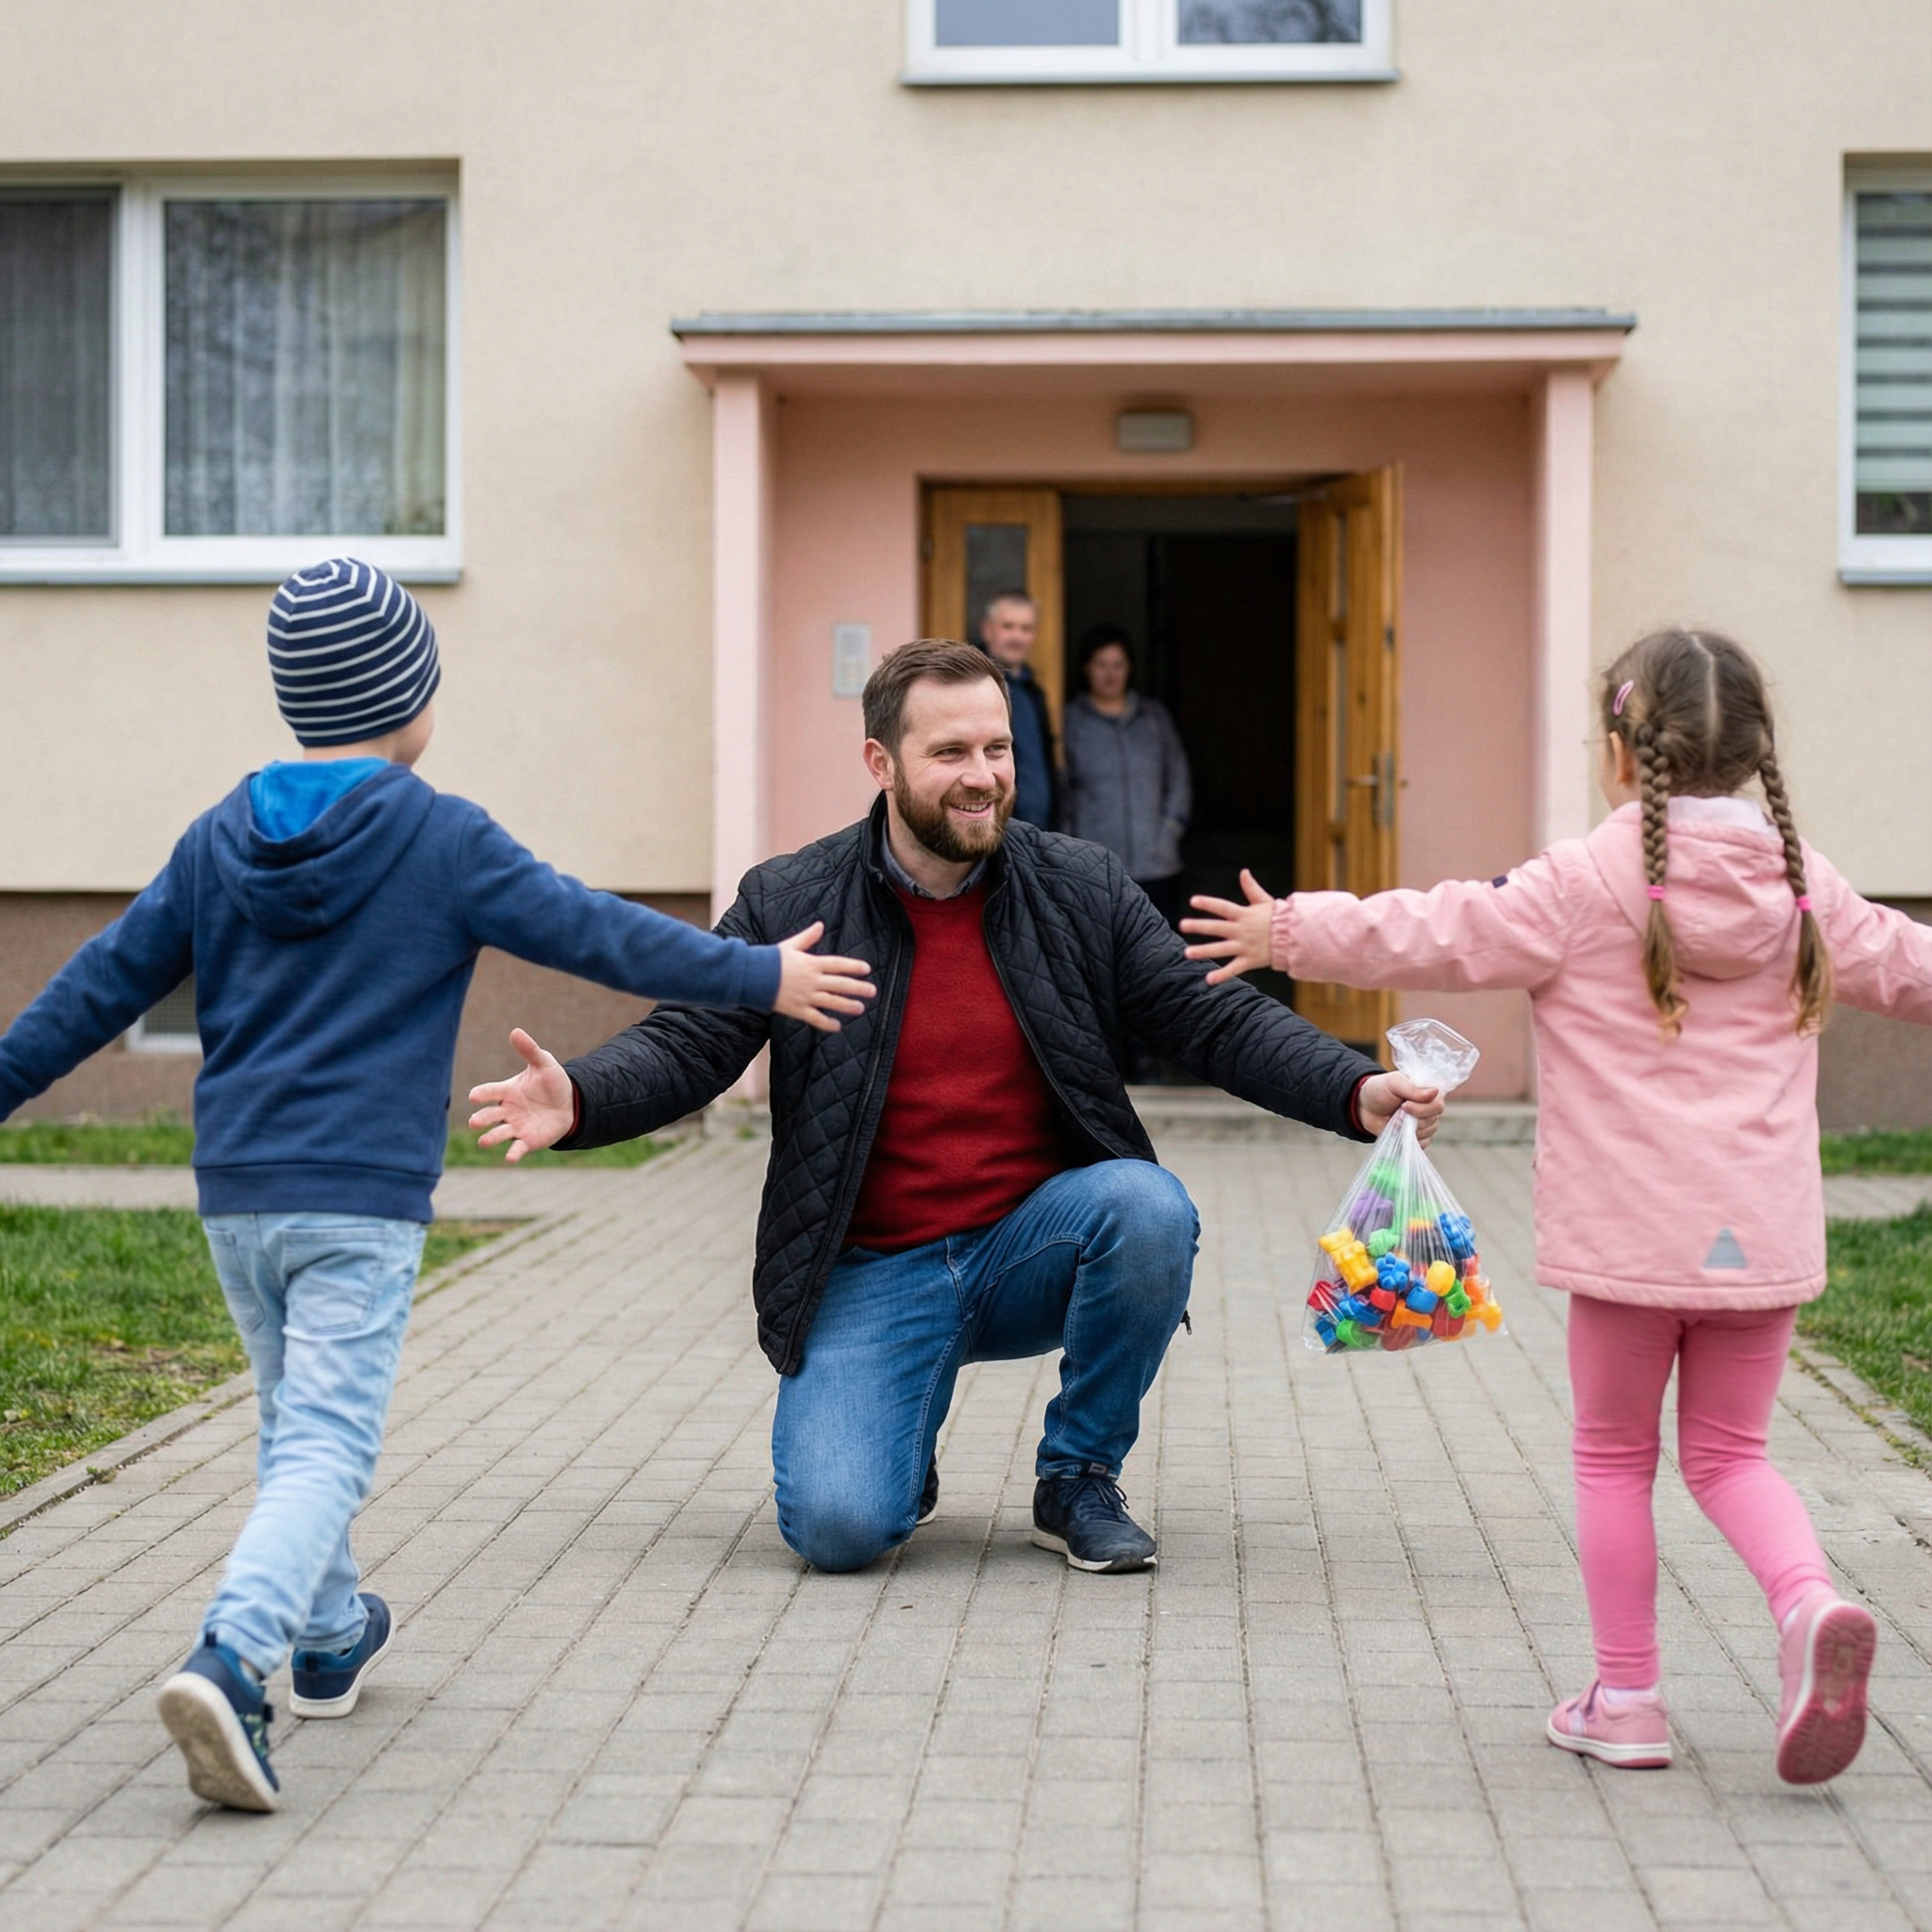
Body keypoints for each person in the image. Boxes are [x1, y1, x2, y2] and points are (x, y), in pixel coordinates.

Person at [0, 558, 873, 1814]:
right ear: (410, 692)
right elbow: (591, 927)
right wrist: (758, 979)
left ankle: (328, 1631)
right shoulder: (435, 832)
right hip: (355, 1196)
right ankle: (231, 1659)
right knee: (328, 1446)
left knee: (292, 1420)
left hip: (238, 1191)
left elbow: (94, 988)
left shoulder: (221, 833)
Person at [469, 640, 1443, 1579]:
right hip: (871, 1269)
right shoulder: (793, 899)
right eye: (949, 753)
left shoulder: (1077, 886)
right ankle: (899, 1426)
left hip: (1028, 1245)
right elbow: (691, 1040)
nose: (981, 775)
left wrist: (1352, 1089)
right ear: (879, 762)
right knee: (842, 1529)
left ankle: (1076, 1478)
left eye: (997, 747)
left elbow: (1203, 1016)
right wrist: (584, 1094)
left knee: (1146, 1207)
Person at [1182, 626, 1932, 1786]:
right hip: (1762, 1241)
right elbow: (1909, 964)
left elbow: (1434, 928)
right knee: (1732, 1453)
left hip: (1627, 1246)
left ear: (1623, 753)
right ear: (1751, 755)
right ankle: (1805, 1605)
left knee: (1611, 1458)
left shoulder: (1579, 885)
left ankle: (1625, 1698)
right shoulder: (1805, 889)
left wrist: (1289, 928)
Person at [1060, 624, 1192, 928]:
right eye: (1101, 665)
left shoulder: (1154, 718)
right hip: (1094, 869)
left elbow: (1178, 775)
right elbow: (1062, 790)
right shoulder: (1071, 722)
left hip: (1157, 864)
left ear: (1129, 668)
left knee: (1159, 959)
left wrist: (1171, 828)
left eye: (1118, 665)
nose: (1110, 674)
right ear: (1086, 669)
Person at [976, 589, 1057, 827]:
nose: (1017, 637)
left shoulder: (1034, 692)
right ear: (987, 630)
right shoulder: (971, 684)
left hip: (1040, 833)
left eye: (1026, 628)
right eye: (1008, 626)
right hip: (993, 829)